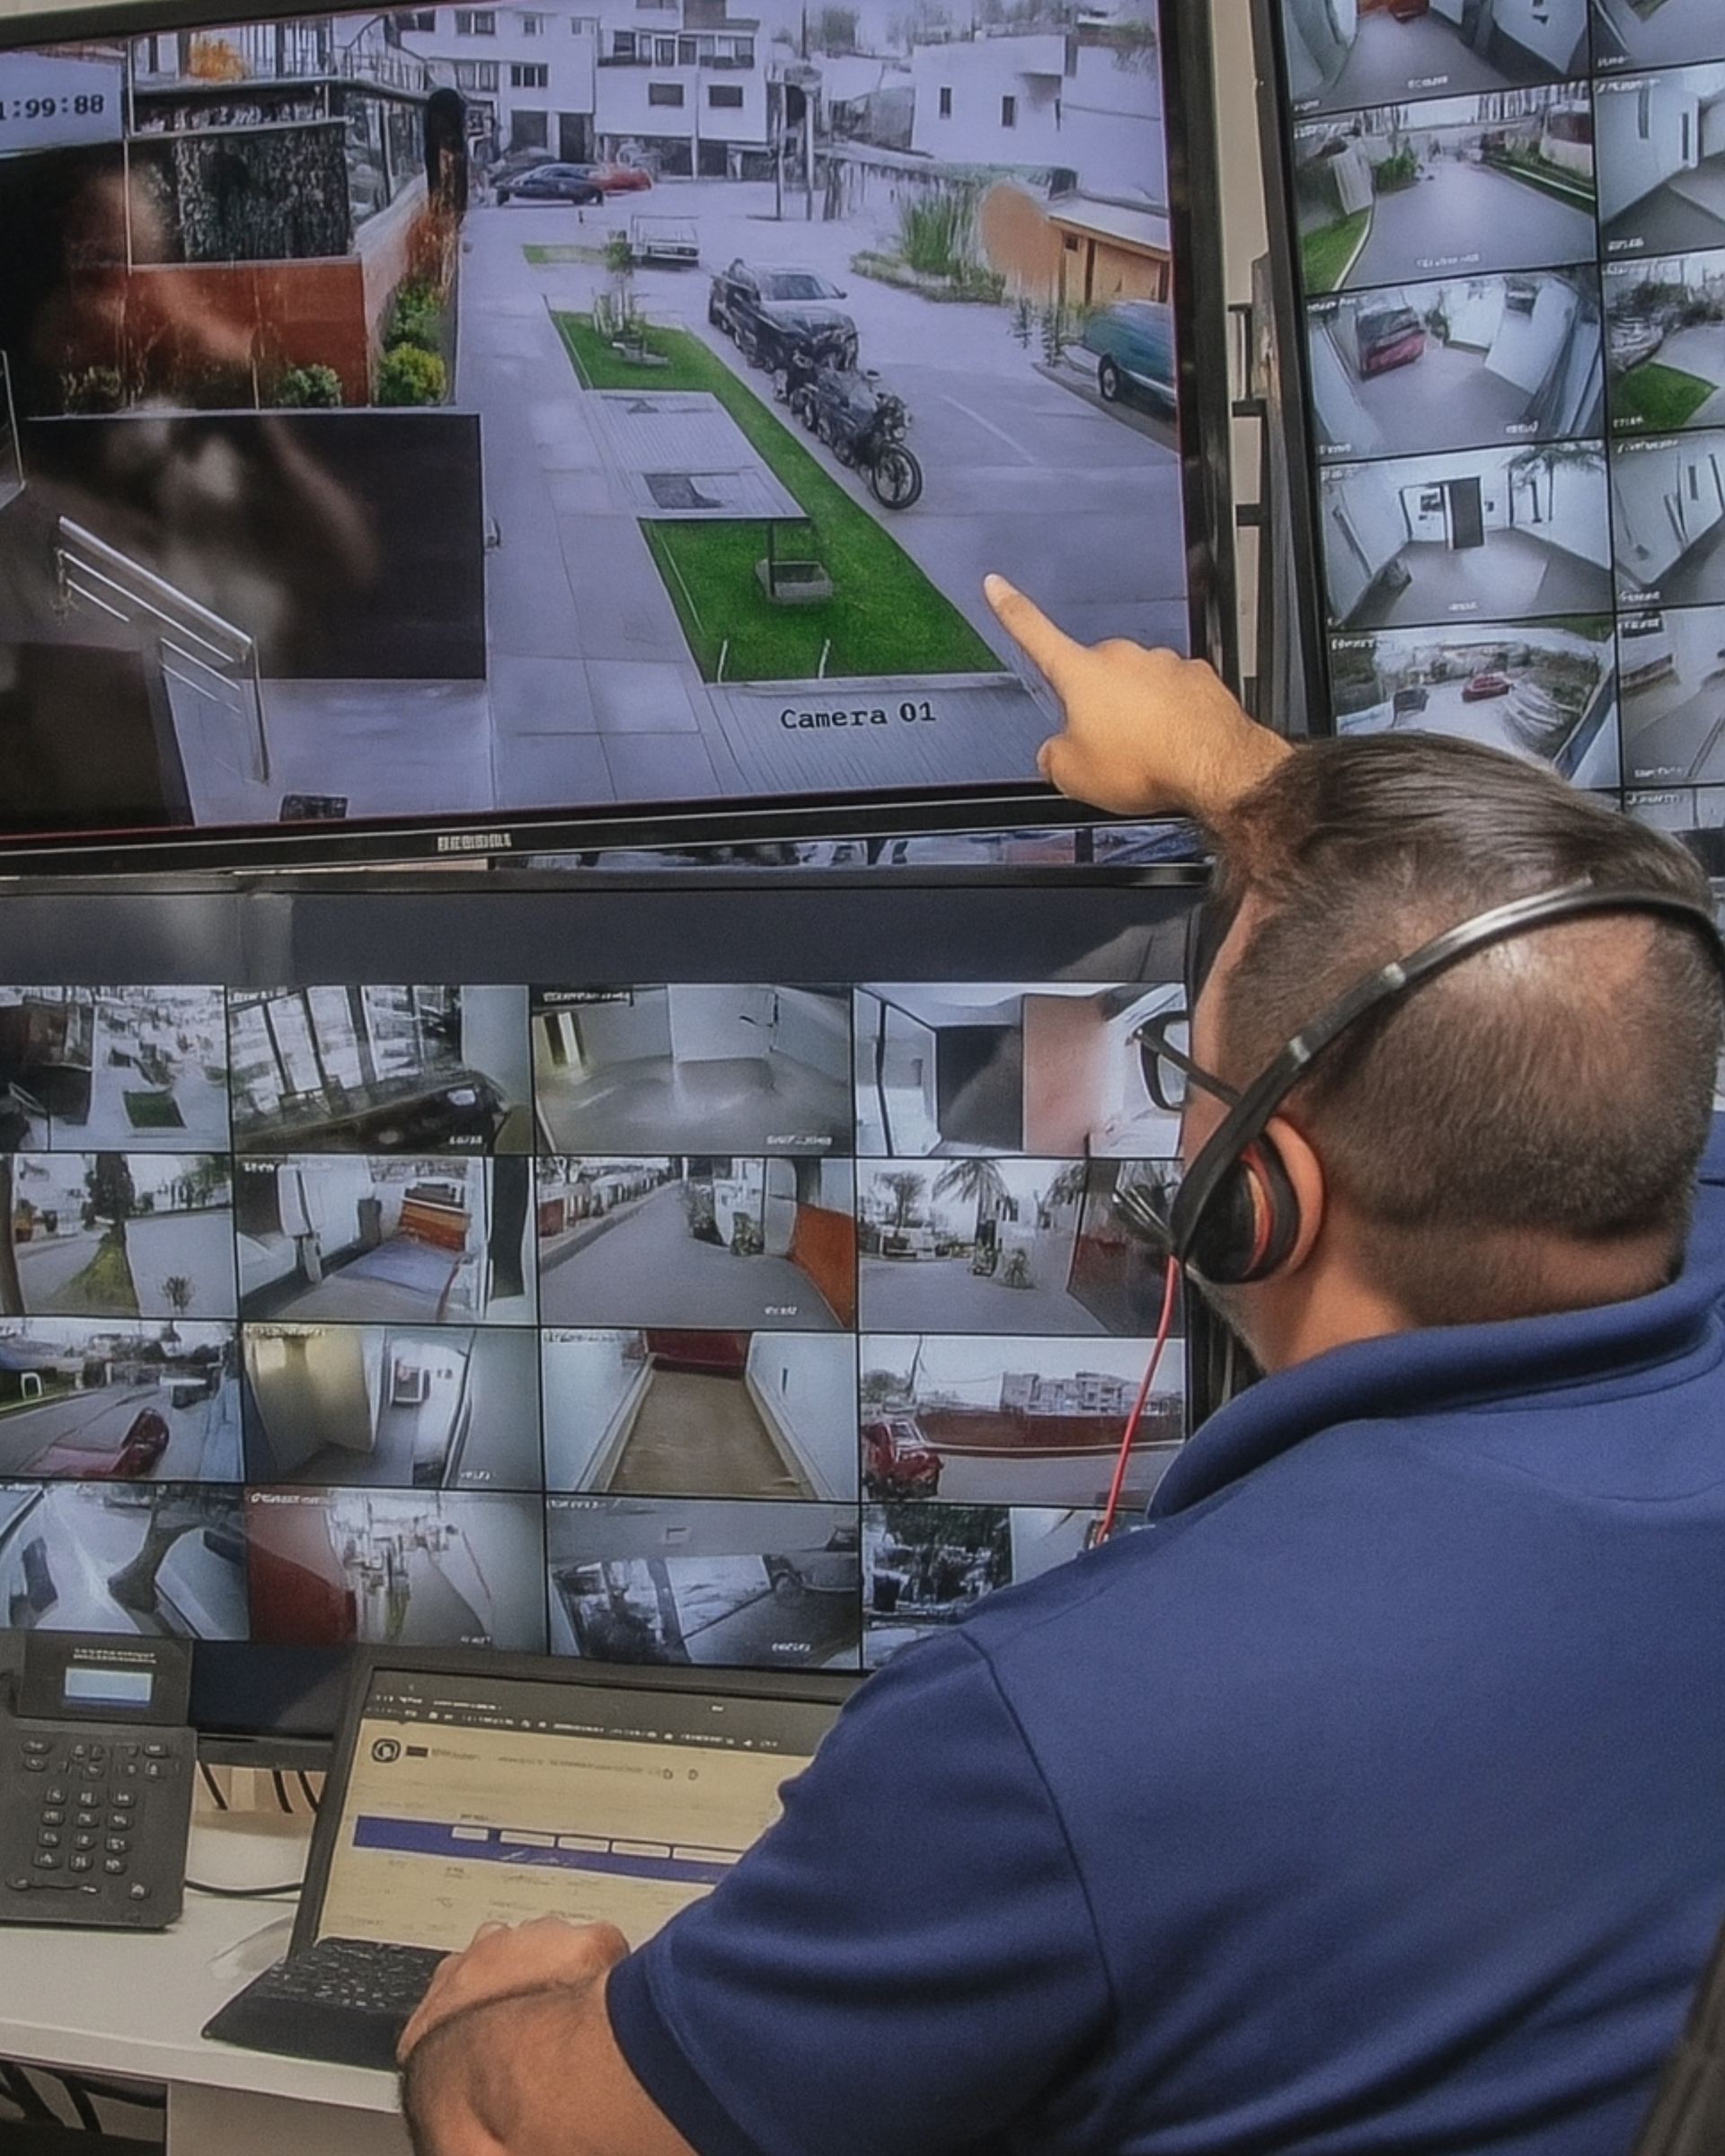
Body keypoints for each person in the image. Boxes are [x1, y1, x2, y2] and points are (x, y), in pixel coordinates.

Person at [397, 579, 1725, 2156]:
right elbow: (1564, 993)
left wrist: (477, 2022)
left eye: (1187, 1074)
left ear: (1255, 1196)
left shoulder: (1044, 1731)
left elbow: (543, 2132)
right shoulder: (1639, 1159)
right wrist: (1237, 768)